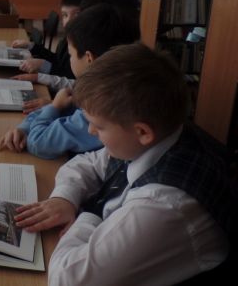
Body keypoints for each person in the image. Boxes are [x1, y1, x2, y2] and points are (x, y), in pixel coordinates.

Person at [14, 43, 237, 286]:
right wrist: (65, 198)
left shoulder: (164, 205)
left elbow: (66, 280)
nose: (90, 131)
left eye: (99, 127)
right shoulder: (155, 139)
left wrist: (87, 216)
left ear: (142, 132)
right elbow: (86, 163)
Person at [0, 4, 137, 159]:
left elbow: (38, 143)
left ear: (89, 58)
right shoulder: (98, 87)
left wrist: (55, 107)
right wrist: (24, 128)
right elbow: (51, 110)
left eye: (71, 55)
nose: (70, 60)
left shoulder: (100, 105)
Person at [14, 0, 140, 113]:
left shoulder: (119, 90)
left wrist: (54, 107)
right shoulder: (115, 67)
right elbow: (81, 86)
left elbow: (85, 99)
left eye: (81, 15)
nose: (77, 21)